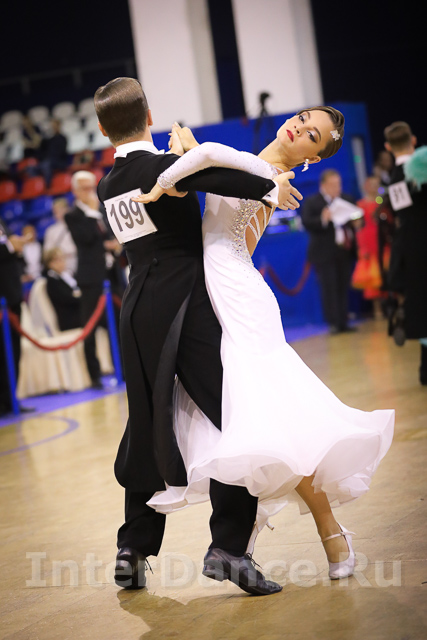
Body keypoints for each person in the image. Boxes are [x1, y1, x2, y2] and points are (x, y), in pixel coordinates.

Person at [135, 113, 394, 584]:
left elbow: (209, 159)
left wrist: (164, 179)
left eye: (311, 135)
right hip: (215, 295)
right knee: (249, 424)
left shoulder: (270, 175)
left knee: (272, 421)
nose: (298, 128)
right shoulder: (254, 166)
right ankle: (252, 536)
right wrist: (187, 152)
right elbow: (211, 167)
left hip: (239, 300)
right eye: (302, 119)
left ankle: (323, 533)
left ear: (312, 157)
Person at [95, 77, 301, 595]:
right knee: (234, 411)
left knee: (146, 422)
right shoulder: (161, 168)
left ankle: (132, 547)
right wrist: (270, 186)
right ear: (149, 115)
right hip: (186, 305)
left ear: (101, 130)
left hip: (136, 309)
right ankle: (229, 547)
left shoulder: (107, 185)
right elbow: (215, 173)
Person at [65, 170, 122, 389]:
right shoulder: (73, 215)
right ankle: (95, 376)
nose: (89, 192)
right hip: (90, 278)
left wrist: (115, 244)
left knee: (120, 325)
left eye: (91, 187)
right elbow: (86, 239)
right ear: (75, 191)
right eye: (85, 188)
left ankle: (123, 370)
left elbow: (114, 232)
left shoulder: (103, 209)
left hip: (112, 274)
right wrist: (91, 212)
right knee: (90, 328)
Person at [384, 121, 427, 385]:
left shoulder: (395, 178)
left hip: (412, 250)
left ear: (388, 147)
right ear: (413, 140)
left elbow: (403, 216)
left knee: (421, 303)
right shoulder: (423, 168)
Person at [301, 169, 359, 334]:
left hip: (343, 250)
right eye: (333, 184)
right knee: (329, 287)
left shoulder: (346, 199)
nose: (337, 188)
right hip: (324, 253)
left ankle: (344, 321)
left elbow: (356, 218)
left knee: (343, 286)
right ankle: (333, 322)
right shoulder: (313, 202)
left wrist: (357, 222)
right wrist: (323, 219)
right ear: (323, 185)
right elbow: (306, 222)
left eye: (338, 184)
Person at [0, 219, 31, 416]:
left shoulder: (2, 222)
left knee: (14, 350)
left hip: (12, 296)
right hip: (2, 300)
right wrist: (10, 246)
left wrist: (18, 247)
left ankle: (11, 398)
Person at [352, 175, 385, 318]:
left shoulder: (382, 202)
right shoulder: (360, 205)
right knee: (373, 278)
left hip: (382, 240)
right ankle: (378, 309)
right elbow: (358, 228)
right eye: (371, 184)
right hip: (369, 242)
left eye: (376, 184)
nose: (373, 187)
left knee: (386, 272)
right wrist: (361, 247)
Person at [43, 247, 82, 331]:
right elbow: (67, 299)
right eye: (58, 260)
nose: (62, 262)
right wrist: (82, 297)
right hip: (69, 320)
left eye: (62, 258)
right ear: (50, 263)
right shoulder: (52, 281)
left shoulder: (64, 276)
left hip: (76, 313)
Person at [43, 197, 77, 275]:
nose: (59, 213)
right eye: (56, 211)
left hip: (75, 261)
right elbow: (47, 251)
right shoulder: (51, 231)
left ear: (67, 209)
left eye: (61, 210)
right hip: (59, 265)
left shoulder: (76, 226)